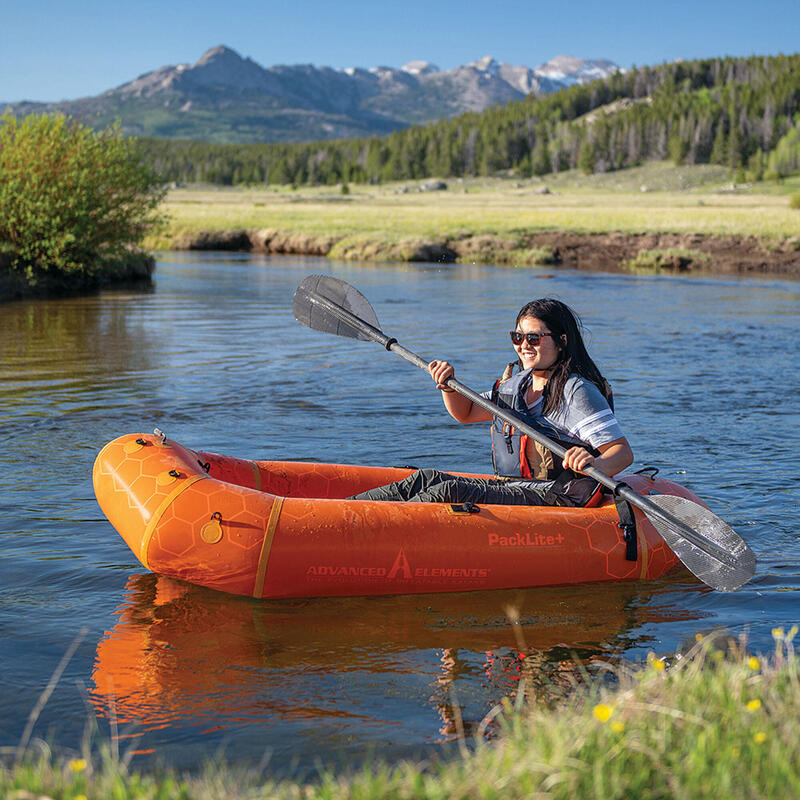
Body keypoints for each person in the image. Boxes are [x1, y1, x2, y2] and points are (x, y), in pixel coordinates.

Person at [349, 298, 633, 507]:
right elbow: (467, 413)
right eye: (518, 337)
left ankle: (371, 529)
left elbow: (622, 453)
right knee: (424, 479)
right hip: (513, 487)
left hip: (555, 495)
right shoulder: (516, 385)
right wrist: (448, 385)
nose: (524, 345)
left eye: (534, 337)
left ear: (561, 341)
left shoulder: (576, 392)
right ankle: (343, 512)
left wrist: (593, 460)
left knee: (449, 490)